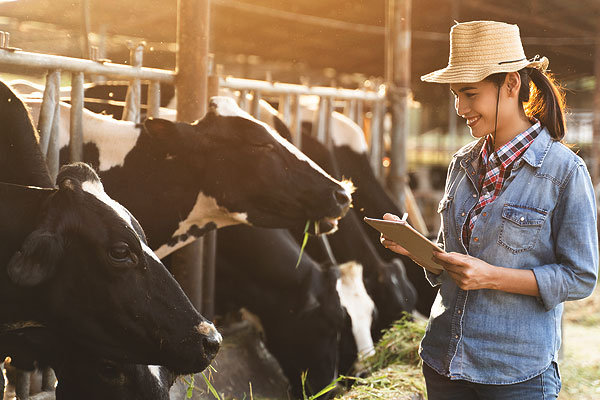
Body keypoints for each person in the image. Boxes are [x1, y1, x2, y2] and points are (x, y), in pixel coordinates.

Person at [380, 20, 598, 399]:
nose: (460, 107)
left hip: (515, 374)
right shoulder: (461, 163)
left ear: (510, 84)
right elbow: (451, 264)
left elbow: (580, 277)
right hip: (444, 362)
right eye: (455, 95)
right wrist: (415, 249)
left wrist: (491, 277)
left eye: (469, 94)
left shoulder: (564, 172)